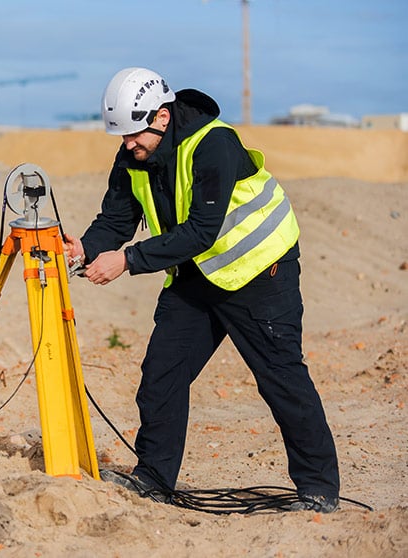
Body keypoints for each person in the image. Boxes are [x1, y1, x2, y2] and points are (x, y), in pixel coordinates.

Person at [65, 67, 341, 512]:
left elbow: (201, 231)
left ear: (160, 117)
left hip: (259, 273)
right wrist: (85, 248)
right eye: (121, 137)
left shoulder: (215, 143)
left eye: (134, 134)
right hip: (195, 277)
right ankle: (153, 479)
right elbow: (116, 219)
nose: (127, 145)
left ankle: (318, 490)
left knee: (281, 379)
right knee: (161, 375)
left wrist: (127, 261)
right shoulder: (133, 155)